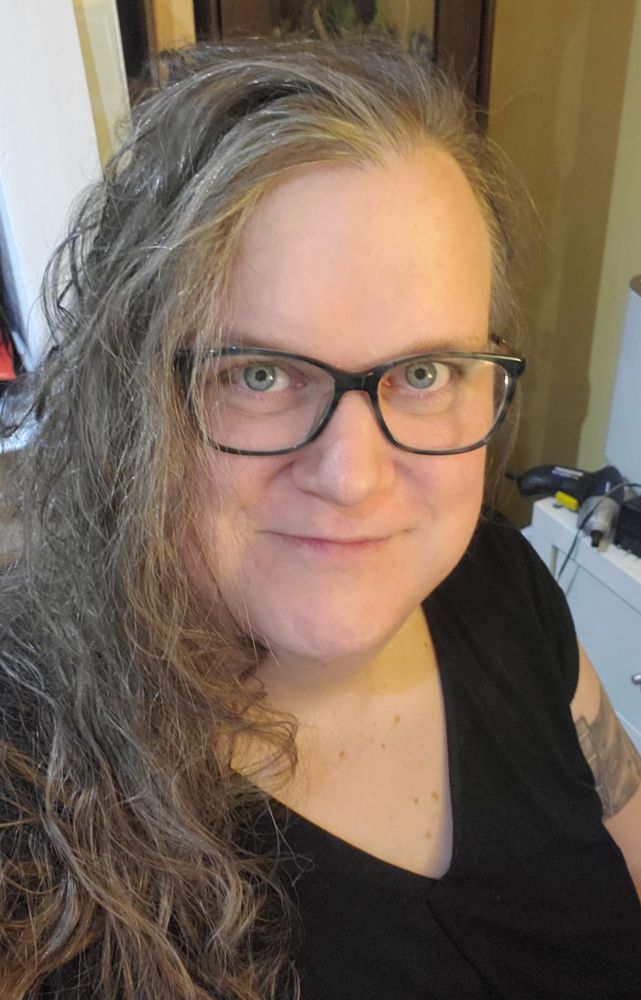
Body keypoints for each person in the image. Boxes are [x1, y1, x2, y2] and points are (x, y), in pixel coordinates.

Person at [0, 36, 640, 1000]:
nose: (351, 477)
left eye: (423, 372)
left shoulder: (500, 583)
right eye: (258, 374)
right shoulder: (24, 783)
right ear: (128, 398)